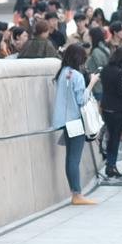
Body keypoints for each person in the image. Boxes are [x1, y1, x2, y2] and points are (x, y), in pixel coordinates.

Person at [50, 43, 97, 206]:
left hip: (63, 120)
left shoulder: (62, 72)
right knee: (74, 158)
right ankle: (77, 194)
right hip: (75, 120)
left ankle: (75, 193)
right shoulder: (76, 75)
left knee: (70, 157)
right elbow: (81, 100)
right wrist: (91, 83)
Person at [100, 46, 122, 179]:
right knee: (115, 138)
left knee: (110, 136)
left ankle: (109, 163)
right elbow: (120, 92)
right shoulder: (119, 72)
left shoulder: (105, 69)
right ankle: (111, 165)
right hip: (117, 109)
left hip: (106, 106)